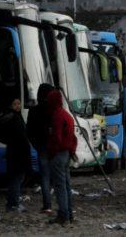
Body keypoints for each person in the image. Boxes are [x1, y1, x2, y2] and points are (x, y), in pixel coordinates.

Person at [45, 88, 77, 225]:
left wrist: (51, 151)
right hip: (67, 153)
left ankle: (62, 215)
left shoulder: (57, 116)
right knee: (66, 185)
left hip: (58, 154)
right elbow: (73, 138)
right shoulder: (67, 115)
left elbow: (56, 138)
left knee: (60, 186)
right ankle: (69, 214)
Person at [0, 98, 30, 212]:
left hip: (13, 152)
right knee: (16, 179)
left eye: (19, 103)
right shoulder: (14, 118)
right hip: (18, 152)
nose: (18, 106)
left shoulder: (8, 117)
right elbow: (20, 136)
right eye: (15, 104)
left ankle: (12, 203)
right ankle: (14, 204)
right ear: (11, 105)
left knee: (15, 178)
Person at [26, 83, 55, 214]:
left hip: (41, 147)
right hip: (53, 147)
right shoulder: (53, 110)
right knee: (58, 175)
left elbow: (29, 131)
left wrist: (35, 145)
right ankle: (63, 204)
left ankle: (47, 204)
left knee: (44, 176)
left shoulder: (33, 111)